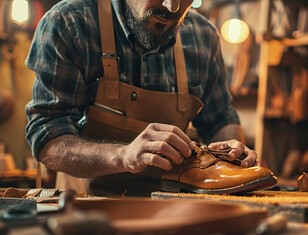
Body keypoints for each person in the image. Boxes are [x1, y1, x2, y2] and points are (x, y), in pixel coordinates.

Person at [25, 0, 275, 196]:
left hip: (174, 207)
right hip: (84, 210)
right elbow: (47, 139)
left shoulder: (203, 36)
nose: (172, 7)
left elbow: (220, 120)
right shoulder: (69, 23)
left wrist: (230, 151)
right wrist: (125, 156)